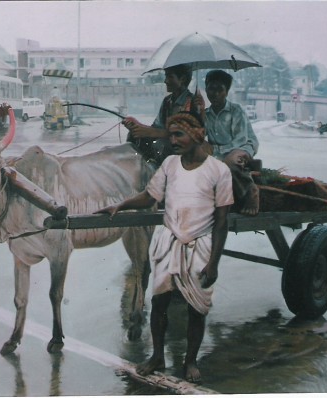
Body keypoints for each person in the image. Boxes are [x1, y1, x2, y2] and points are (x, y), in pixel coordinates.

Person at [96, 112, 233, 382]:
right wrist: (120, 205)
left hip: (200, 245)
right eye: (170, 135)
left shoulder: (219, 171)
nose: (172, 141)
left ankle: (190, 361)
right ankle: (157, 356)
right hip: (167, 241)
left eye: (178, 135)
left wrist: (213, 262)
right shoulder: (170, 164)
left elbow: (221, 223)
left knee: (197, 308)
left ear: (197, 136)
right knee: (159, 302)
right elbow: (150, 196)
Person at [204, 69, 260, 215]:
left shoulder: (236, 110)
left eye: (220, 89)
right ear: (206, 89)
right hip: (219, 151)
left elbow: (240, 139)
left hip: (243, 146)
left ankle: (250, 191)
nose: (215, 93)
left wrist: (216, 153)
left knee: (230, 162)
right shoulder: (205, 114)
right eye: (211, 88)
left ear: (227, 92)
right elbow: (200, 138)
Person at [122, 64, 196, 165]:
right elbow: (156, 127)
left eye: (170, 77)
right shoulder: (167, 101)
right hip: (166, 144)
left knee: (161, 146)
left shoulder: (192, 103)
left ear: (182, 79)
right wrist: (137, 126)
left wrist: (151, 132)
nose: (165, 81)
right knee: (133, 136)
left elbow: (185, 135)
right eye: (166, 76)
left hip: (180, 149)